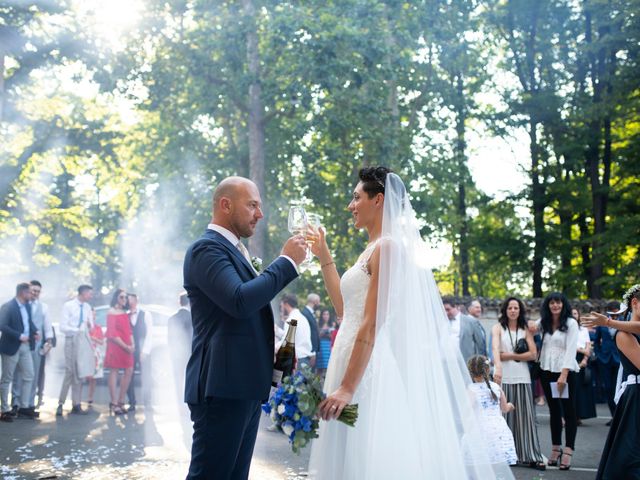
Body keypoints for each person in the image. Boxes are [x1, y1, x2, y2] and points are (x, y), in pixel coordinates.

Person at [308, 167, 512, 479]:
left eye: (356, 197)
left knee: (365, 453)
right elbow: (343, 308)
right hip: (346, 358)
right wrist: (323, 254)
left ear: (378, 200)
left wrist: (348, 387)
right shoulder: (369, 249)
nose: (351, 205)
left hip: (366, 371)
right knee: (345, 452)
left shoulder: (387, 247)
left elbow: (371, 323)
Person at [182, 176, 306, 479]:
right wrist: (286, 261)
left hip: (244, 387)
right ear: (226, 205)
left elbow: (241, 316)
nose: (260, 214)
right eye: (252, 205)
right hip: (221, 387)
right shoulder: (205, 250)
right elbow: (239, 300)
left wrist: (272, 352)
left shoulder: (235, 251)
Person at [491, 297, 545, 470]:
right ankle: (503, 455)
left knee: (525, 418)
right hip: (504, 377)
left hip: (522, 377)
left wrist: (508, 355)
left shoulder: (525, 329)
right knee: (503, 418)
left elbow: (533, 354)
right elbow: (495, 350)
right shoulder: (498, 328)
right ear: (505, 310)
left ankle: (529, 454)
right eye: (510, 308)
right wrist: (498, 365)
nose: (513, 310)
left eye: (516, 308)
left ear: (520, 310)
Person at [595, 284, 640, 479]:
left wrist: (608, 322)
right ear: (635, 303)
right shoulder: (624, 335)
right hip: (637, 397)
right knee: (631, 454)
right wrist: (609, 322)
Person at [534, 292, 580, 470]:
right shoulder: (543, 322)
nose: (555, 306)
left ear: (563, 304)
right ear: (548, 305)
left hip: (566, 372)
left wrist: (563, 374)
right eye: (552, 303)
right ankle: (555, 448)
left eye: (558, 302)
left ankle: (568, 450)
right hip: (546, 370)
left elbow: (571, 350)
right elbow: (530, 327)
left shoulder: (571, 323)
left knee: (569, 411)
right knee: (554, 410)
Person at [11, 280, 53, 416]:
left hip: (36, 346)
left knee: (33, 375)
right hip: (21, 344)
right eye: (33, 290)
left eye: (37, 291)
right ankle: (16, 403)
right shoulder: (21, 305)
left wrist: (49, 341)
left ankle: (29, 404)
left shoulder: (44, 307)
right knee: (18, 375)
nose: (35, 293)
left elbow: (46, 326)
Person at [467, 355, 517, 466]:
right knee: (497, 463)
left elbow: (468, 410)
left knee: (481, 463)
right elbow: (504, 408)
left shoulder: (471, 389)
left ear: (470, 372)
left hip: (480, 429)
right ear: (488, 369)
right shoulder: (496, 387)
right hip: (499, 430)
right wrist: (511, 405)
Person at [0, 283, 39, 421]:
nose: (32, 294)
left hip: (25, 346)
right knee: (7, 378)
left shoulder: (27, 306)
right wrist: (18, 335)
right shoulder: (8, 306)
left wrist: (35, 331)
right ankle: (4, 410)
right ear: (23, 293)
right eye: (30, 292)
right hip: (11, 346)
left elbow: (28, 322)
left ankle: (24, 407)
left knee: (29, 375)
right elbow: (2, 325)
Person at [56, 284, 93, 416]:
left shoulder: (88, 307)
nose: (91, 296)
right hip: (71, 340)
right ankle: (60, 403)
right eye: (89, 293)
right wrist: (77, 331)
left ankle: (76, 404)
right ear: (83, 293)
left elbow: (91, 326)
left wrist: (89, 326)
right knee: (70, 372)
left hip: (83, 341)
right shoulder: (69, 306)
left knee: (80, 372)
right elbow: (63, 327)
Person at [104, 288, 134, 415]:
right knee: (114, 371)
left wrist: (132, 344)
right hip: (116, 345)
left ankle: (121, 401)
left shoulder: (125, 312)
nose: (124, 299)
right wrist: (125, 346)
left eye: (126, 297)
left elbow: (129, 331)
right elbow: (112, 333)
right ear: (116, 297)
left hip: (127, 346)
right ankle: (114, 402)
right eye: (121, 297)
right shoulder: (111, 312)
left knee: (129, 370)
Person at [592, 301, 621, 424]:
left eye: (616, 312)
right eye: (612, 312)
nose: (614, 314)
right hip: (604, 359)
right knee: (608, 388)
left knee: (618, 388)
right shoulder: (602, 324)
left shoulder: (624, 322)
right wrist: (599, 355)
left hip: (619, 359)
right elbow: (597, 341)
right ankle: (613, 416)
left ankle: (620, 416)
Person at [126, 293, 153, 412]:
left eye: (129, 298)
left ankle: (148, 403)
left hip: (143, 351)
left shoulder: (146, 314)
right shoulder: (125, 315)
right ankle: (132, 402)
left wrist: (145, 351)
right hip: (129, 351)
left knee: (146, 377)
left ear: (136, 300)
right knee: (128, 377)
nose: (127, 300)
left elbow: (149, 334)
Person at [168, 292, 192, 410]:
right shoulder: (193, 317)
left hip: (176, 355)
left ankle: (179, 404)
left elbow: (170, 339)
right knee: (190, 379)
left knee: (178, 379)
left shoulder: (172, 318)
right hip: (190, 354)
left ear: (180, 302)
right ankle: (189, 403)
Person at [443, 296, 487, 361]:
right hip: (446, 361)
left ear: (455, 307)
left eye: (448, 309)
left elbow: (480, 345)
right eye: (444, 310)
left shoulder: (471, 322)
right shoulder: (442, 322)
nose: (446, 313)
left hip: (466, 362)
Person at [573, 308, 596, 424]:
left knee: (583, 388)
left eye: (575, 313)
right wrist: (581, 350)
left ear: (579, 315)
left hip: (583, 359)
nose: (574, 315)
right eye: (571, 313)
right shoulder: (565, 329)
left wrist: (585, 359)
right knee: (573, 388)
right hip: (571, 357)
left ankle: (580, 416)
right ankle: (572, 415)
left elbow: (588, 346)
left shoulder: (583, 330)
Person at [279, 293, 314, 368]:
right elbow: (295, 335)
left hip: (297, 361)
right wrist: (277, 331)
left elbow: (286, 343)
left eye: (281, 306)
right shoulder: (302, 318)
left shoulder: (292, 320)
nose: (281, 309)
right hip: (304, 360)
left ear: (286, 304)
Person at [86, 308, 105, 408]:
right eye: (91, 314)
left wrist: (94, 338)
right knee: (83, 375)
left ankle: (90, 397)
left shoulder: (98, 328)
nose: (93, 317)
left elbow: (102, 342)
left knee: (93, 378)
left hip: (95, 352)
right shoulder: (84, 327)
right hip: (85, 352)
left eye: (94, 315)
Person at [301, 293, 321, 369]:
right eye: (318, 301)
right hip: (309, 351)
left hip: (312, 351)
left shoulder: (310, 313)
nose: (319, 304)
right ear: (315, 301)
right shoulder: (305, 313)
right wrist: (312, 353)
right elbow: (307, 334)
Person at [316, 309, 334, 376]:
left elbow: (334, 337)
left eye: (327, 314)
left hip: (329, 347)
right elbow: (316, 337)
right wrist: (321, 334)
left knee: (329, 368)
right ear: (321, 315)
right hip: (321, 347)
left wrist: (330, 335)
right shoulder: (318, 324)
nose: (326, 316)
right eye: (324, 314)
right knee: (319, 368)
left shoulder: (333, 325)